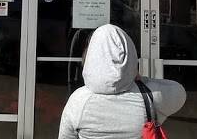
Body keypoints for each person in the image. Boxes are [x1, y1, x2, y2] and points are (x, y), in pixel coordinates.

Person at [58, 24, 186, 139]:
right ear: (130, 53)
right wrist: (138, 77)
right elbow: (179, 91)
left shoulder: (78, 101)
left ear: (91, 56)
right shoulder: (152, 96)